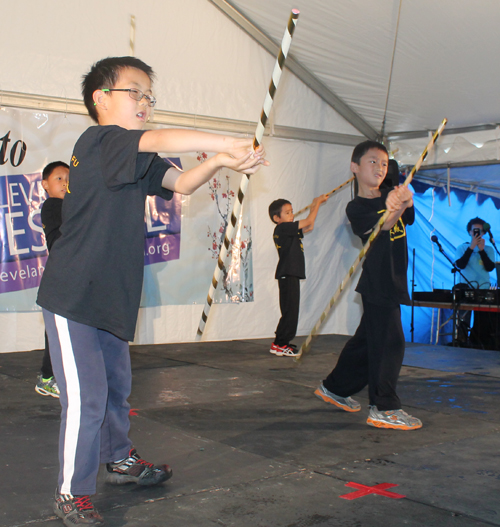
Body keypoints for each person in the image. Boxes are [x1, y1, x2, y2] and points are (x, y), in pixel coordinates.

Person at [36, 56, 267, 526]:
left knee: (117, 388)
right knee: (87, 398)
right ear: (101, 99)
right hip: (73, 294)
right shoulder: (101, 140)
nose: (144, 102)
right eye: (134, 92)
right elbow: (157, 139)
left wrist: (222, 161)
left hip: (112, 295)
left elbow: (180, 181)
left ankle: (119, 459)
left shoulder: (134, 155)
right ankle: (70, 492)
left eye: (149, 96)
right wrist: (224, 140)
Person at [314, 140, 422, 431]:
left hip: (394, 277)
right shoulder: (357, 207)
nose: (380, 167)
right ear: (355, 167)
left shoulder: (390, 194)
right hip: (379, 280)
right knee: (390, 342)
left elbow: (406, 216)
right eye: (372, 161)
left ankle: (334, 387)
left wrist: (405, 199)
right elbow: (383, 226)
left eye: (384, 163)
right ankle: (383, 407)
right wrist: (394, 206)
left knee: (366, 343)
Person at [268, 194, 329, 357]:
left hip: (291, 274)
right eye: (287, 212)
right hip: (287, 274)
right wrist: (316, 204)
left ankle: (280, 343)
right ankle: (281, 344)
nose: (292, 214)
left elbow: (309, 227)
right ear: (276, 218)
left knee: (291, 310)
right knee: (290, 312)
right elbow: (308, 222)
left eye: (292, 211)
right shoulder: (282, 228)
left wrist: (314, 207)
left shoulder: (289, 231)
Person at [35, 161, 70, 398]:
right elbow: (59, 241)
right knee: (58, 331)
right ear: (45, 184)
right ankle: (47, 378)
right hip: (59, 278)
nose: (65, 182)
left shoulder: (71, 206)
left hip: (70, 277)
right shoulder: (52, 205)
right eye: (59, 178)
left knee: (63, 330)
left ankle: (52, 376)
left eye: (69, 178)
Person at [454, 218, 496, 348]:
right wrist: (472, 247)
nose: (477, 233)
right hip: (465, 288)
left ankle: (478, 344)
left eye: (480, 231)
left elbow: (490, 267)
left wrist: (482, 250)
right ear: (469, 232)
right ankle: (460, 342)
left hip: (483, 288)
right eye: (474, 230)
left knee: (482, 320)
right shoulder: (462, 247)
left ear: (484, 232)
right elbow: (460, 265)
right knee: (462, 318)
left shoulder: (488, 249)